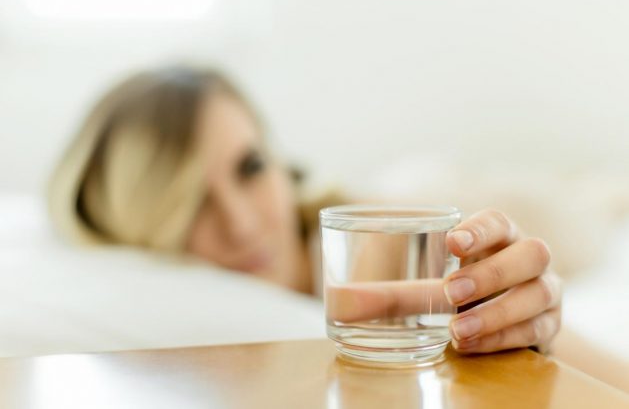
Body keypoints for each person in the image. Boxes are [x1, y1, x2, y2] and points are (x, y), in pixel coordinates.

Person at [49, 65, 563, 357]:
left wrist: (534, 332)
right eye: (190, 204)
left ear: (278, 161)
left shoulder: (384, 245)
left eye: (250, 167)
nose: (240, 224)